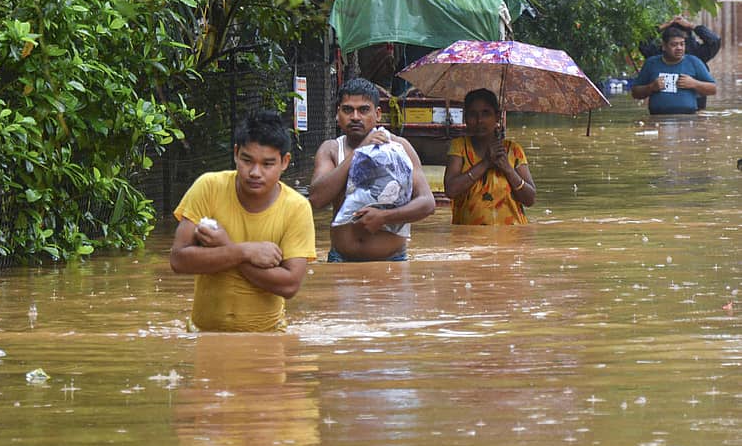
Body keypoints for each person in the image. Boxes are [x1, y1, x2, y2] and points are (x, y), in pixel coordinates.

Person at [170, 110, 316, 332]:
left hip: (268, 338)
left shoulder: (296, 208)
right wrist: (243, 251)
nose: (255, 173)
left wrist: (226, 246)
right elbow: (179, 260)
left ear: (284, 162)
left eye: (267, 164)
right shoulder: (208, 187)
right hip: (203, 334)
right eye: (247, 161)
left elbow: (290, 285)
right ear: (236, 153)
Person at [308, 77, 434, 262]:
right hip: (341, 260)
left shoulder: (400, 148)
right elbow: (317, 199)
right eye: (348, 110)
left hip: (393, 260)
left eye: (364, 110)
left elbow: (427, 203)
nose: (355, 117)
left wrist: (384, 217)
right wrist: (359, 153)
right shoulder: (332, 150)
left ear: (378, 114)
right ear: (338, 114)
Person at [443, 88, 535, 225]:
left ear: (497, 117)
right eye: (473, 114)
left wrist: (508, 169)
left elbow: (530, 199)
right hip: (469, 239)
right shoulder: (459, 147)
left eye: (486, 113)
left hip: (512, 238)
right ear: (465, 118)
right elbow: (451, 190)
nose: (479, 120)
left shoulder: (513, 150)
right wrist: (486, 163)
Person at [639, 15, 720, 109]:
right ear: (665, 45)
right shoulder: (657, 58)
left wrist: (691, 26)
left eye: (682, 43)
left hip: (695, 107)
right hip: (662, 111)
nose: (679, 48)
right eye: (674, 43)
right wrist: (665, 25)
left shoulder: (696, 56)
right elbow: (642, 42)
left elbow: (715, 41)